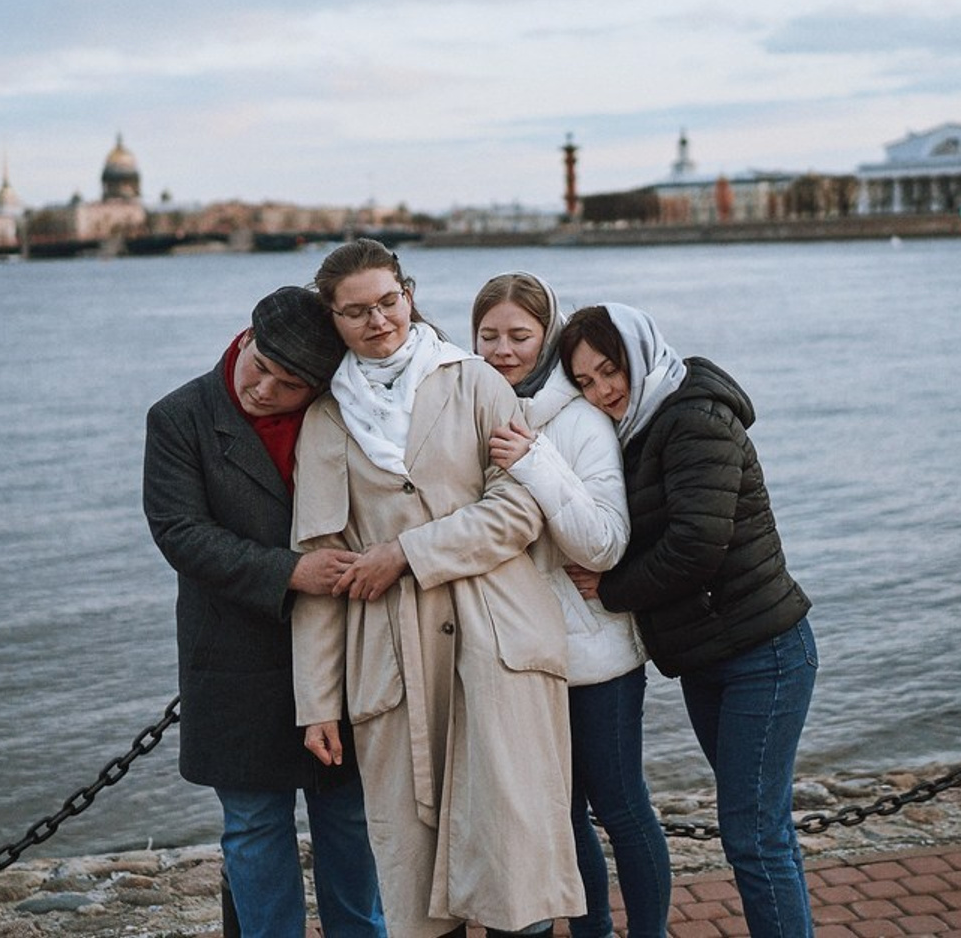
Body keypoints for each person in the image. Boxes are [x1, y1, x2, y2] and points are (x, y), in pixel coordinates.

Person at [291, 240, 585, 938]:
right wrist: (317, 702)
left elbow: (519, 510)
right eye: (356, 311)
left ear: (409, 294)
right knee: (417, 888)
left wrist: (405, 553)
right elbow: (322, 565)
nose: (378, 321)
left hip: (496, 639)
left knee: (516, 870)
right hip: (391, 657)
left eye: (388, 301)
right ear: (333, 319)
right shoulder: (326, 419)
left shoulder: (476, 382)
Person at [558, 304, 817, 938]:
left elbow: (698, 544)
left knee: (753, 837)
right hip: (709, 656)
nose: (603, 391)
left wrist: (612, 590)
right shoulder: (640, 427)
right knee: (765, 832)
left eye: (611, 370)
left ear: (640, 355)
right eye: (585, 382)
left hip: (764, 654)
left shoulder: (695, 419)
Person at [142, 286, 387, 938]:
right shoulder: (178, 417)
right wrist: (290, 572)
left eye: (288, 386)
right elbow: (180, 534)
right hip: (233, 659)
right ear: (245, 337)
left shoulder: (348, 414)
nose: (263, 390)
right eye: (261, 368)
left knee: (350, 820)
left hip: (339, 653)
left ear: (317, 387)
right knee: (254, 826)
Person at [472, 273, 673, 938]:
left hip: (595, 656)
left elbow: (604, 544)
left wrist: (536, 463)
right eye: (489, 335)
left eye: (519, 335)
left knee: (620, 808)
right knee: (561, 815)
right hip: (519, 657)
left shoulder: (581, 420)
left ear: (549, 336)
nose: (503, 350)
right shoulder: (472, 414)